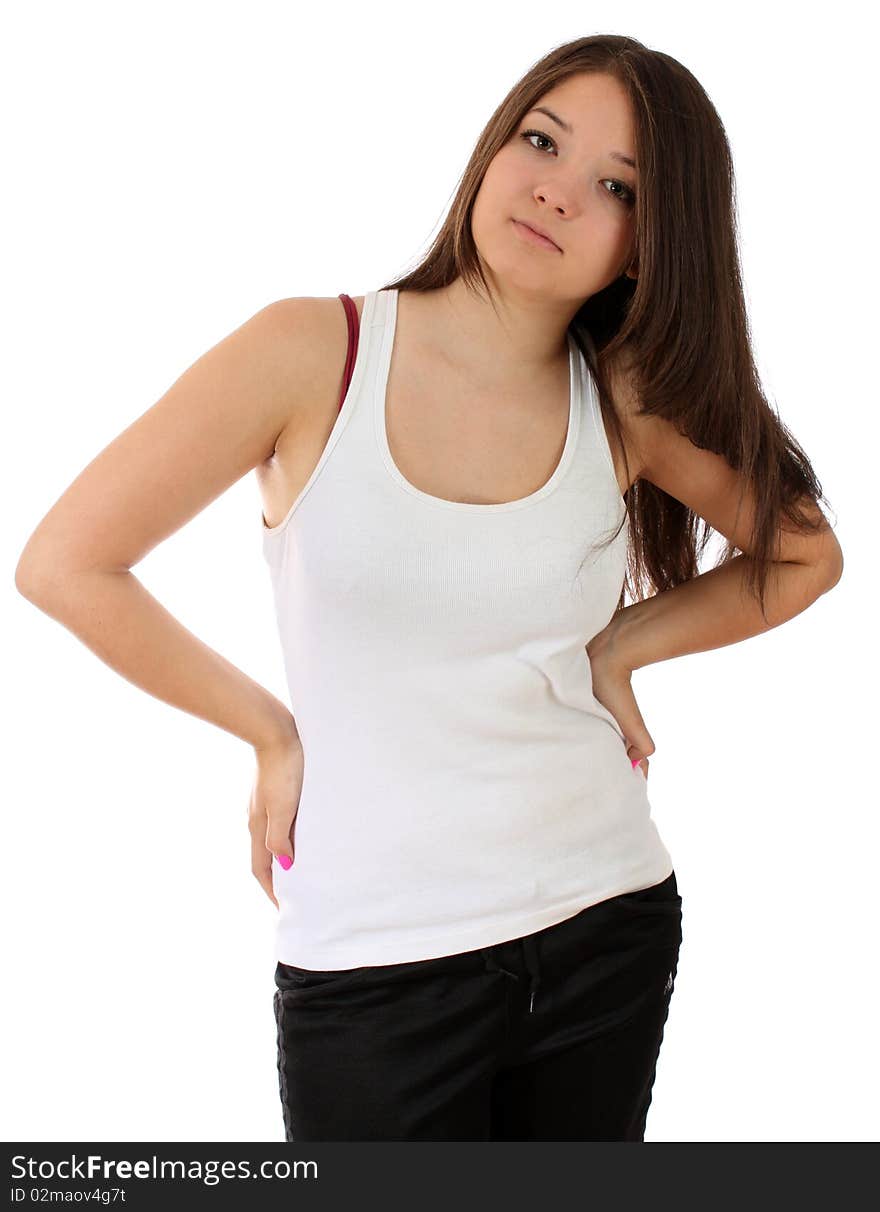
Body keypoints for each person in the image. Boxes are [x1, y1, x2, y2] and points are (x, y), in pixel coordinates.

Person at [15, 34, 844, 1142]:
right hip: (374, 963)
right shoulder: (313, 350)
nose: (554, 187)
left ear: (645, 247)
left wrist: (621, 646)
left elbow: (802, 553)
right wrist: (268, 731)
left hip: (605, 920)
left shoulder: (627, 400)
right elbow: (66, 564)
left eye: (613, 186)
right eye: (539, 139)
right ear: (493, 143)